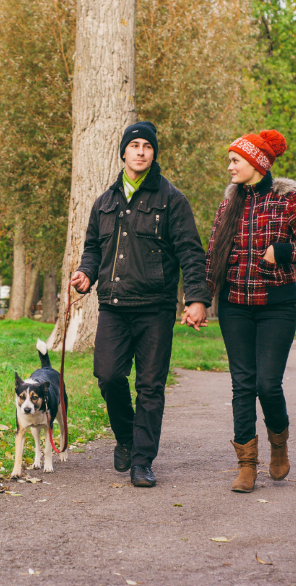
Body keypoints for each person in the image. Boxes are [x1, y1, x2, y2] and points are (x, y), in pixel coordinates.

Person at [71, 121, 211, 487]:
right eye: (134, 145)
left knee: (150, 386)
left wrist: (196, 298)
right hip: (114, 306)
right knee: (108, 375)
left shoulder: (172, 199)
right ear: (123, 152)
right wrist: (86, 274)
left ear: (153, 154)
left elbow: (191, 253)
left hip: (155, 308)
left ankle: (142, 461)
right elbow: (93, 248)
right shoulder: (105, 201)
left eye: (147, 146)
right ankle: (127, 438)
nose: (141, 151)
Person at [205, 129, 296, 493]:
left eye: (235, 160)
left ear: (257, 163)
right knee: (242, 385)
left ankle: (278, 443)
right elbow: (212, 258)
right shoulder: (228, 205)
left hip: (276, 306)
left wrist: (285, 251)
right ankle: (246, 464)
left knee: (267, 384)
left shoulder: (287, 201)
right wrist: (197, 301)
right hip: (234, 307)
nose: (229, 167)